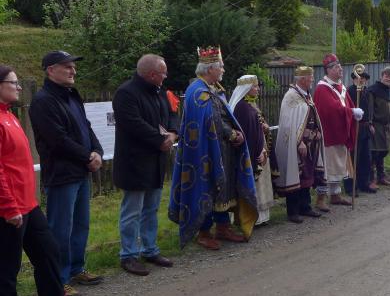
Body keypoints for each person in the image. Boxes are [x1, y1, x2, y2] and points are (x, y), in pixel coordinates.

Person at [1, 65, 87, 296]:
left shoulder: (9, 115)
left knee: (49, 252)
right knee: (7, 265)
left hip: (28, 204)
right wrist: (8, 207)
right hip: (9, 208)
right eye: (13, 82)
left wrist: (28, 200)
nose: (18, 87)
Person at [29, 51, 104, 296]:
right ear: (50, 70)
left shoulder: (71, 95)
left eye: (73, 67)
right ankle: (59, 280)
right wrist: (87, 156)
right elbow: (57, 139)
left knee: (81, 224)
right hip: (62, 174)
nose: (73, 71)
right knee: (60, 229)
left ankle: (76, 268)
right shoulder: (43, 101)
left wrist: (97, 151)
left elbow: (86, 127)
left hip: (81, 170)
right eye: (67, 67)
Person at [168, 46, 258, 250]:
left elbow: (223, 116)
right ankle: (204, 231)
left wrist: (235, 133)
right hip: (204, 152)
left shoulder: (213, 88)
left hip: (221, 149)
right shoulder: (198, 92)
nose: (223, 70)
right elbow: (211, 119)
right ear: (210, 69)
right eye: (221, 67)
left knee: (223, 187)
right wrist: (232, 133)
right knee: (206, 188)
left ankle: (223, 226)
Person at [112, 54, 178, 276]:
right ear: (151, 74)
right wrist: (160, 140)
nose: (166, 76)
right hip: (135, 162)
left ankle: (150, 249)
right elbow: (134, 124)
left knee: (151, 208)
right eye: (163, 73)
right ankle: (128, 255)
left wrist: (173, 133)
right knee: (132, 211)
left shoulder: (159, 91)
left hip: (156, 161)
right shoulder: (126, 93)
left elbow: (171, 114)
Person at [273, 66, 325, 223]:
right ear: (302, 79)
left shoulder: (306, 95)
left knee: (307, 175)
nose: (312, 79)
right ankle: (293, 211)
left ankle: (305, 206)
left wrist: (317, 132)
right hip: (297, 145)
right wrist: (299, 141)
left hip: (311, 144)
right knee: (295, 174)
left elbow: (309, 116)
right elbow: (288, 123)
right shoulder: (291, 97)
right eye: (310, 77)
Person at [313, 54, 362, 211]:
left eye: (340, 66)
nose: (340, 69)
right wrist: (351, 112)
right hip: (329, 134)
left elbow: (347, 104)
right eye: (336, 67)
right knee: (328, 167)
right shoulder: (322, 88)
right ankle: (321, 198)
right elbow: (330, 110)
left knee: (339, 166)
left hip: (341, 132)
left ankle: (335, 195)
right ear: (328, 70)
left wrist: (354, 112)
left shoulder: (341, 86)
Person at [231, 74, 275, 226]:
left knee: (261, 186)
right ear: (246, 88)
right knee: (254, 185)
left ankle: (262, 217)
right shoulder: (242, 107)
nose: (258, 89)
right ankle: (252, 218)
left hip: (260, 150)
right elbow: (248, 134)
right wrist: (259, 151)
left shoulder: (251, 104)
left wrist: (265, 131)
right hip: (254, 153)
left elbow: (257, 127)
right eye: (255, 86)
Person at [367, 67, 390, 187]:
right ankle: (371, 178)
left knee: (384, 151)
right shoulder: (373, 90)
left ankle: (381, 177)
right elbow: (370, 108)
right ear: (382, 76)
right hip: (376, 126)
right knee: (375, 152)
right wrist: (370, 123)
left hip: (387, 127)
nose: (388, 78)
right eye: (386, 76)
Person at [346, 69, 375, 194]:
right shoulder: (349, 91)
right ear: (354, 79)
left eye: (363, 78)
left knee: (366, 158)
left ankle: (364, 183)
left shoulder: (367, 92)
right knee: (353, 158)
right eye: (359, 78)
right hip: (354, 127)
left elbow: (369, 110)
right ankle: (351, 186)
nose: (361, 80)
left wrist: (370, 123)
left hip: (365, 128)